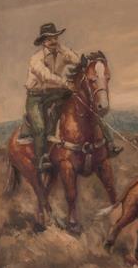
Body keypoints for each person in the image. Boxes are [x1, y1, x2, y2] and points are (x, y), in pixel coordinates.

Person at [23, 22, 118, 174]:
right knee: (40, 127)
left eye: (55, 37)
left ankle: (110, 143)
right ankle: (42, 158)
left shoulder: (62, 51)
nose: (53, 41)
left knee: (87, 106)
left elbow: (76, 59)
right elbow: (46, 76)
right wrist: (66, 83)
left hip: (55, 92)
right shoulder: (36, 59)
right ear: (43, 42)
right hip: (36, 97)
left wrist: (85, 61)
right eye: (49, 39)